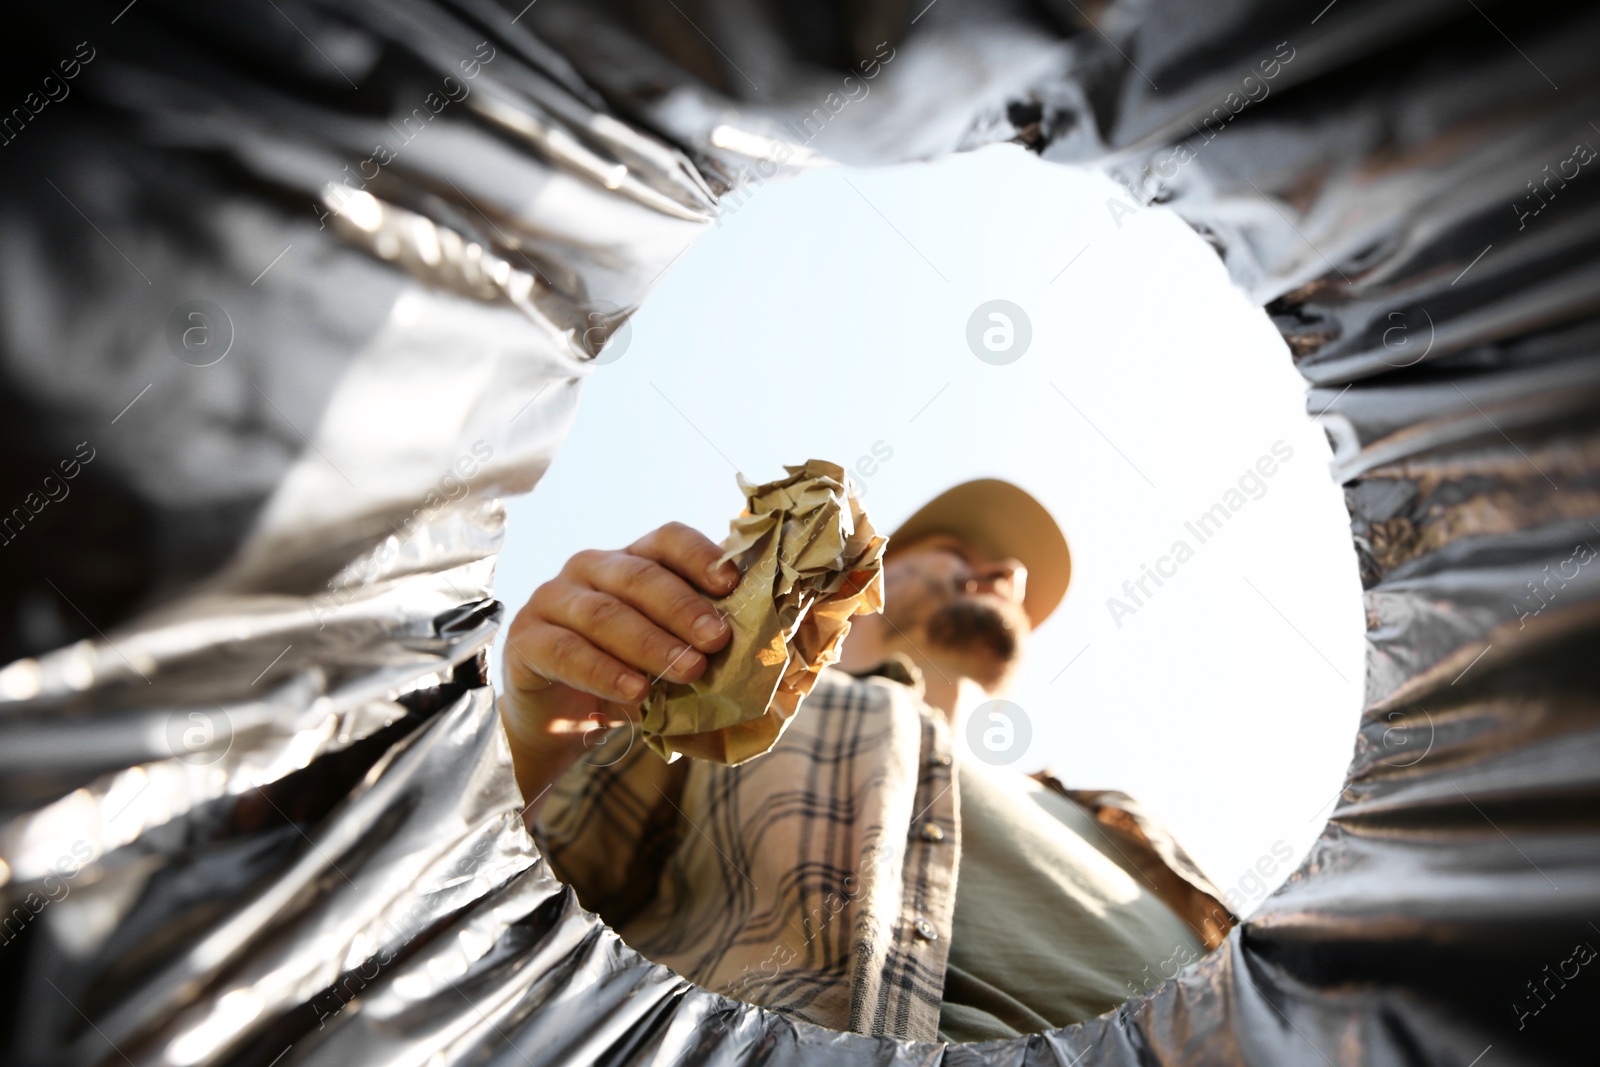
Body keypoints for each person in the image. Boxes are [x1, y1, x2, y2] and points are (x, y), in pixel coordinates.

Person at [500, 478, 1234, 1043]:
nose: (1006, 569)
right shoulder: (728, 723)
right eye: (957, 551)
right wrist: (542, 737)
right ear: (865, 586)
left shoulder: (1120, 820)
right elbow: (504, 914)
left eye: (1008, 571)